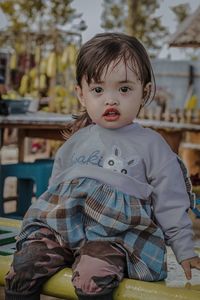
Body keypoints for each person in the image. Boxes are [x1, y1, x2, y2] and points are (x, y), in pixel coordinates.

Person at [5, 32, 200, 300]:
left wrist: (184, 248)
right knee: (23, 268)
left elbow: (171, 200)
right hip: (63, 231)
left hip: (116, 238)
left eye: (124, 89)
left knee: (92, 279)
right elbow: (54, 194)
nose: (111, 100)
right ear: (82, 95)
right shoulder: (75, 143)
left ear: (143, 93)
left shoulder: (152, 144)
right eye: (98, 89)